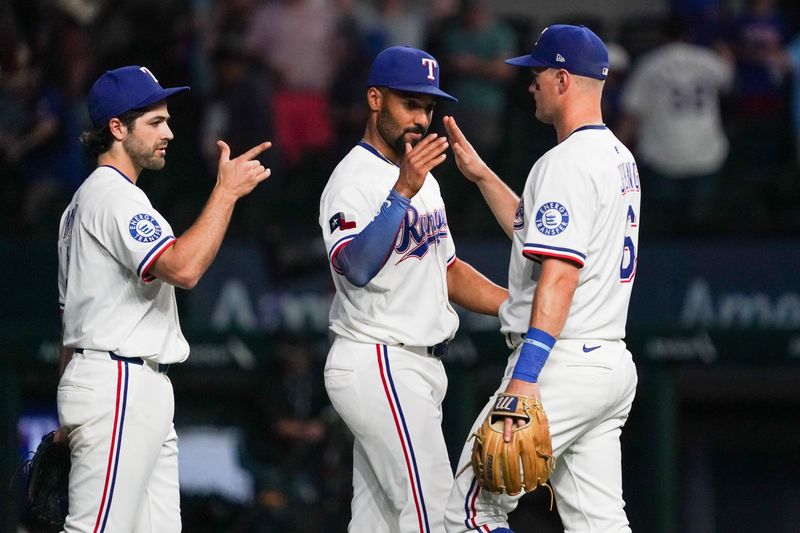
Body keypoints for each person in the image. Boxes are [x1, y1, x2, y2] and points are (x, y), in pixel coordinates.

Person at [442, 25, 641, 532]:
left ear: (562, 78)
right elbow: (536, 235)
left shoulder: (565, 163)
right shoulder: (619, 157)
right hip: (609, 362)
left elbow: (559, 276)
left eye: (536, 74)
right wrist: (484, 176)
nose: (529, 84)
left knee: (469, 511)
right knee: (600, 524)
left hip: (558, 362)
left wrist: (526, 380)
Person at [56, 65, 271, 532]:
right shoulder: (113, 197)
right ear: (117, 127)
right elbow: (184, 268)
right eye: (155, 122)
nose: (169, 133)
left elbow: (66, 323)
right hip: (119, 385)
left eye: (168, 120)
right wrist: (226, 192)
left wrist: (68, 403)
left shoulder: (82, 206)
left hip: (119, 383)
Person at [318, 45, 507, 532]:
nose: (422, 119)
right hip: (379, 358)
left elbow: (447, 271)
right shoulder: (353, 179)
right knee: (437, 515)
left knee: (378, 523)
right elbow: (355, 266)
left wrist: (520, 310)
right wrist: (402, 190)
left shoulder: (423, 179)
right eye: (410, 104)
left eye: (428, 107)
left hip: (417, 367)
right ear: (375, 99)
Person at [617, 15, 734, 233]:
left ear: (662, 37)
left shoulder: (649, 64)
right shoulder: (708, 60)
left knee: (668, 232)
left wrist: (613, 155)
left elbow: (631, 113)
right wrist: (725, 53)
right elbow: (729, 79)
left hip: (663, 153)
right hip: (706, 150)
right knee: (701, 232)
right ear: (688, 36)